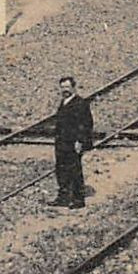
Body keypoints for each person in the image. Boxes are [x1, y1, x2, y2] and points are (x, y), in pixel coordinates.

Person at [50, 75, 94, 208]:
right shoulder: (64, 102)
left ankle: (78, 200)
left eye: (67, 87)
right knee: (61, 170)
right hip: (62, 143)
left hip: (73, 143)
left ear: (74, 88)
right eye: (62, 87)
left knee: (74, 171)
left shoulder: (80, 103)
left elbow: (86, 124)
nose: (65, 90)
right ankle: (63, 197)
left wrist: (80, 141)